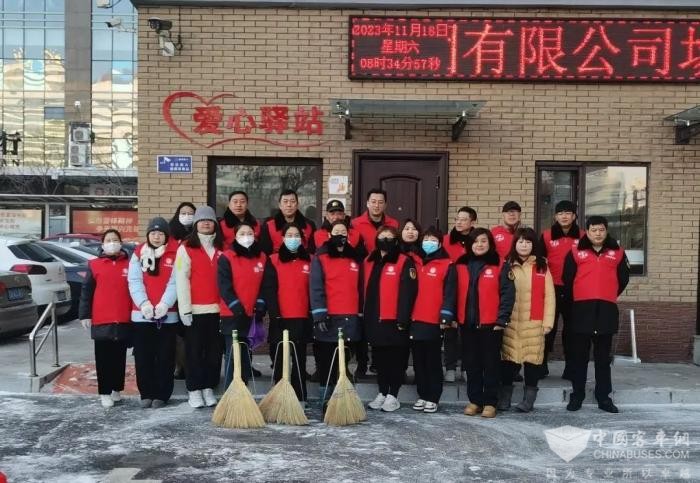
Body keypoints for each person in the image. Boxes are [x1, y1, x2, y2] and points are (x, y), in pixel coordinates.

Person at [562, 216, 630, 413]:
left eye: (601, 230)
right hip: (582, 311)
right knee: (579, 358)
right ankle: (577, 395)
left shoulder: (618, 252)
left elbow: (623, 279)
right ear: (587, 231)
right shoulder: (575, 251)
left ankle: (604, 397)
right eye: (594, 230)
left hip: (606, 311)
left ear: (606, 231)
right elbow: (567, 278)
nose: (598, 233)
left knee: (603, 359)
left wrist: (607, 294)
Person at [456, 228, 515, 418]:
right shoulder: (460, 264)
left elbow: (507, 294)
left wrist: (502, 319)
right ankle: (475, 400)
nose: (479, 245)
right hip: (467, 323)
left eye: (483, 241)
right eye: (475, 241)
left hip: (491, 324)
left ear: (490, 244)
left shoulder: (500, 264)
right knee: (471, 364)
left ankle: (490, 402)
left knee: (491, 364)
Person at [498, 228, 555, 413]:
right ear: (515, 244)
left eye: (528, 242)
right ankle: (505, 397)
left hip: (534, 322)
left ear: (534, 245)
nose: (524, 245)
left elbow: (549, 296)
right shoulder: (507, 265)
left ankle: (528, 400)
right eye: (520, 241)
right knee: (508, 361)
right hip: (511, 322)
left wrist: (548, 322)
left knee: (532, 362)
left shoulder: (541, 266)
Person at [364, 226, 418, 412]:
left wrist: (403, 318)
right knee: (379, 359)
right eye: (382, 236)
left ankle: (393, 394)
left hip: (395, 320)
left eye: (389, 237)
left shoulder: (404, 261)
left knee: (396, 359)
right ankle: (382, 391)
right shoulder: (369, 261)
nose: (385, 240)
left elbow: (408, 292)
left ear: (396, 241)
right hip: (374, 318)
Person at [175, 206, 225, 409]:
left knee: (214, 352)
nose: (206, 223)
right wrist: (185, 309)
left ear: (215, 224)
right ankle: (194, 389)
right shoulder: (186, 247)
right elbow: (181, 279)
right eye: (201, 220)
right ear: (196, 224)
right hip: (195, 311)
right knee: (194, 352)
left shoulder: (222, 248)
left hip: (218, 310)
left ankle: (208, 387)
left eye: (209, 220)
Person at [310, 220, 363, 408]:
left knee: (345, 358)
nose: (340, 234)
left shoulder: (355, 258)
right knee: (327, 359)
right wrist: (319, 314)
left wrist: (361, 312)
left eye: (343, 231)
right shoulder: (321, 257)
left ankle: (342, 397)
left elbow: (360, 287)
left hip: (350, 316)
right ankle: (325, 395)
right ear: (329, 235)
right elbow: (316, 287)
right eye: (336, 231)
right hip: (329, 316)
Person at [128, 217, 179, 409]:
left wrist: (165, 304)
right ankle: (146, 393)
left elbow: (175, 281)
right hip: (142, 315)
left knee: (165, 357)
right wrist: (144, 304)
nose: (156, 237)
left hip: (168, 315)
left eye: (160, 233)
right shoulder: (138, 253)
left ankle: (162, 394)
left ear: (166, 235)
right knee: (143, 356)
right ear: (148, 235)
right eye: (153, 233)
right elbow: (134, 280)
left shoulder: (176, 252)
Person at [78, 229, 132, 408]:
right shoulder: (94, 265)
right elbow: (86, 291)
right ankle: (105, 391)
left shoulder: (130, 264)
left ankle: (116, 388)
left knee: (119, 357)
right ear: (102, 244)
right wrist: (84, 314)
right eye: (108, 240)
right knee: (103, 358)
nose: (112, 243)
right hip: (102, 318)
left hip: (123, 317)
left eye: (115, 240)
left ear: (121, 243)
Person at [351, 188, 399, 378]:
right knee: (363, 318)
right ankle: (362, 362)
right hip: (365, 273)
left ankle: (378, 363)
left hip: (388, 273)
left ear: (385, 204)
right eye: (373, 201)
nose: (376, 205)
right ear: (367, 203)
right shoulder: (356, 224)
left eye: (380, 202)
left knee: (382, 318)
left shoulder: (393, 224)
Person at [410, 227, 456, 414]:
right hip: (414, 317)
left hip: (434, 319)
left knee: (432, 360)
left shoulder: (447, 264)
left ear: (440, 243)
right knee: (418, 360)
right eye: (426, 239)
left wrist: (446, 316)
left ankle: (433, 396)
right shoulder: (414, 261)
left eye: (433, 239)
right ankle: (422, 394)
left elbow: (450, 293)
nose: (429, 242)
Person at [263, 223, 311, 402]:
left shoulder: (309, 260)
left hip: (302, 316)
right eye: (289, 235)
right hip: (280, 317)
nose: (293, 239)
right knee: (279, 360)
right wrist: (275, 313)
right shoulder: (273, 260)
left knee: (299, 360)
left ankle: (300, 397)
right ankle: (279, 397)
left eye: (296, 235)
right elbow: (268, 289)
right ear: (283, 238)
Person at [217, 223, 267, 389]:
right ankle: (231, 392)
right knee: (233, 355)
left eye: (250, 233)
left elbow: (264, 284)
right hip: (232, 314)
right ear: (236, 236)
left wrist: (260, 305)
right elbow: (224, 286)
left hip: (252, 314)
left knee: (246, 355)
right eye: (242, 233)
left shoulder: (261, 257)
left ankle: (243, 392)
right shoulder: (227, 257)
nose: (247, 236)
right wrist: (237, 307)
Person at [540, 200, 584, 379]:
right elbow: (539, 262)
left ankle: (571, 368)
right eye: (560, 213)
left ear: (574, 216)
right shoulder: (546, 236)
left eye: (568, 213)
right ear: (555, 216)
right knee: (547, 328)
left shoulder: (583, 236)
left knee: (572, 330)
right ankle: (541, 366)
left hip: (575, 290)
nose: (564, 216)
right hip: (551, 289)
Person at [168, 201, 196, 380]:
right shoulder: (170, 235)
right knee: (177, 333)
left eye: (190, 213)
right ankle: (179, 366)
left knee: (191, 332)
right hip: (172, 289)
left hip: (194, 290)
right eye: (183, 213)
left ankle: (191, 365)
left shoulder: (197, 236)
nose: (187, 216)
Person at [260, 189, 316, 255]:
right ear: (280, 205)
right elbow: (265, 253)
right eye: (285, 201)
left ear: (297, 205)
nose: (289, 205)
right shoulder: (269, 226)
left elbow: (312, 252)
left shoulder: (309, 226)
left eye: (292, 201)